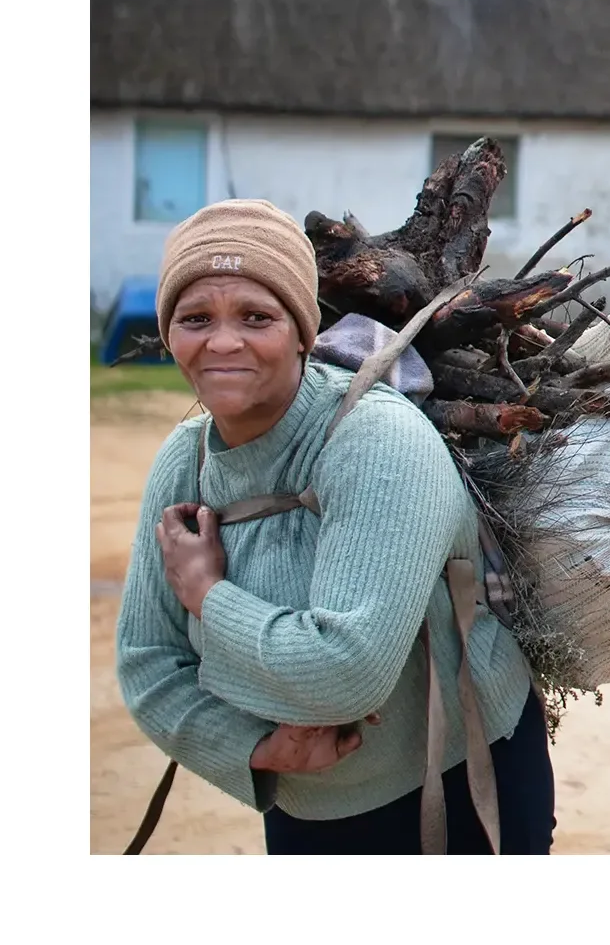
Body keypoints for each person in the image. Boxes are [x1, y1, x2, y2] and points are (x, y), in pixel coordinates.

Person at [115, 199, 552, 854]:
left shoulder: (376, 439)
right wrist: (258, 747)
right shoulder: (188, 457)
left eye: (256, 317)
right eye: (195, 318)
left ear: (301, 329)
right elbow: (146, 663)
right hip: (308, 801)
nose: (223, 342)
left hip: (462, 783)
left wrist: (206, 594)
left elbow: (346, 674)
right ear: (169, 333)